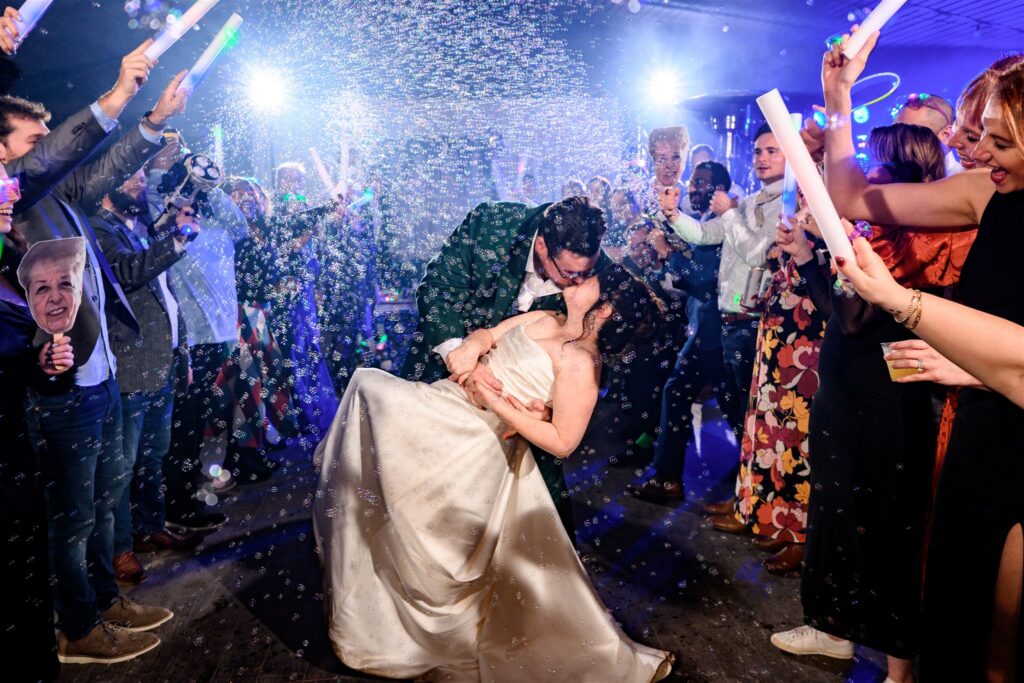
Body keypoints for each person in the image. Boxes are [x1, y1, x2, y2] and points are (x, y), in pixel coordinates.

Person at [778, 30, 1021, 681]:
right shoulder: (984, 193)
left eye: (998, 142)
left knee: (1004, 647)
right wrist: (838, 97)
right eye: (975, 139)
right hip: (975, 429)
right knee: (959, 624)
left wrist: (917, 316)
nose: (973, 154)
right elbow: (854, 195)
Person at [313, 264, 672, 682]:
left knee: (373, 397)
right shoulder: (544, 318)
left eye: (589, 281)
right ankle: (378, 616)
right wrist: (471, 354)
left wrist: (498, 404)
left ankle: (422, 632)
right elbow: (489, 335)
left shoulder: (582, 366)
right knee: (369, 402)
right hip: (449, 402)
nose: (576, 281)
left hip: (477, 438)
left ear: (605, 310)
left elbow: (562, 441)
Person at [8, 41, 187, 665]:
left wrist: (154, 122)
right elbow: (60, 154)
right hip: (60, 389)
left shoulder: (59, 196)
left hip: (102, 369)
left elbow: (101, 170)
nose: (50, 145)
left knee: (106, 499)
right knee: (72, 518)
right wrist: (114, 96)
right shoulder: (18, 200)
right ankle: (76, 627)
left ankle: (107, 601)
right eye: (34, 140)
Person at [402, 196, 611, 536]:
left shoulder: (589, 266)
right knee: (420, 493)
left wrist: (553, 412)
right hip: (443, 381)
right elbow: (438, 290)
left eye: (586, 273)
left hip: (520, 419)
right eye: (570, 273)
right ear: (541, 246)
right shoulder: (492, 224)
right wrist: (463, 356)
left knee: (533, 527)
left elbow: (602, 349)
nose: (579, 283)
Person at [658, 127, 786, 520]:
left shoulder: (790, 204)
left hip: (754, 325)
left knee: (755, 420)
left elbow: (759, 255)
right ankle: (747, 501)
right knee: (743, 419)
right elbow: (705, 233)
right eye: (758, 151)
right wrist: (673, 214)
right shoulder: (746, 202)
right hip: (732, 325)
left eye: (772, 151)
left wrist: (729, 212)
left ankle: (757, 505)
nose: (761, 158)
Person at [92, 174, 203, 585]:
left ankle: (149, 526)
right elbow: (126, 272)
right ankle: (120, 548)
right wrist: (176, 240)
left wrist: (183, 353)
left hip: (162, 363)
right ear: (106, 184)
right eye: (132, 176)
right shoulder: (98, 228)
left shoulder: (135, 228)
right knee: (120, 468)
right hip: (131, 368)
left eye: (142, 175)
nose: (141, 182)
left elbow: (166, 297)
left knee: (152, 457)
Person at [731, 194, 830, 574]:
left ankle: (801, 534)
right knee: (773, 435)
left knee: (799, 441)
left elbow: (829, 291)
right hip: (777, 339)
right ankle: (779, 521)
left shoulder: (838, 224)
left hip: (807, 348)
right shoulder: (799, 214)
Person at [148, 134, 242, 532]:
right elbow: (153, 197)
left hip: (220, 337)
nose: (194, 200)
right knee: (182, 428)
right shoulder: (173, 232)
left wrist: (201, 173)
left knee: (196, 425)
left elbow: (238, 219)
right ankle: (177, 505)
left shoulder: (220, 230)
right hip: (190, 343)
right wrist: (167, 164)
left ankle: (183, 497)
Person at [629, 161, 728, 504]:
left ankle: (671, 479)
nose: (694, 188)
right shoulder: (704, 225)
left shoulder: (720, 226)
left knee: (732, 408)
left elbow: (704, 278)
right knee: (688, 396)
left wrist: (666, 252)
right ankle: (669, 478)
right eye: (694, 182)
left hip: (715, 332)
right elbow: (694, 281)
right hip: (704, 330)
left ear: (720, 190)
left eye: (702, 183)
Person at [893, 91, 961, 175]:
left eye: (911, 135)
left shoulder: (965, 183)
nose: (897, 142)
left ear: (946, 135)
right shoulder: (889, 180)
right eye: (895, 133)